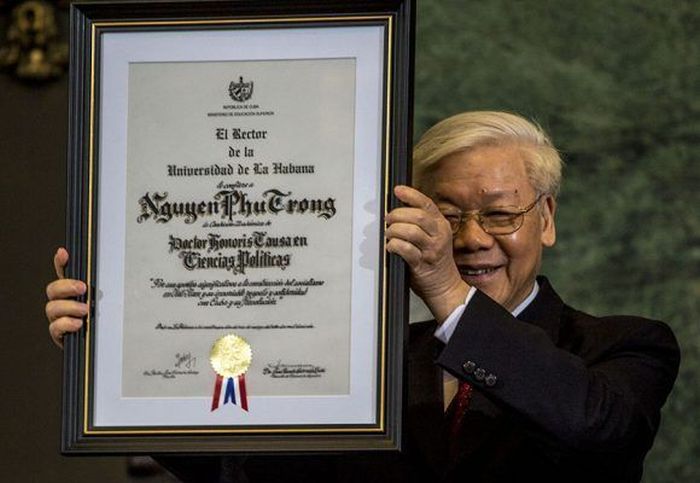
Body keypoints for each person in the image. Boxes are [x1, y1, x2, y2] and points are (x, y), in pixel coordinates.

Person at [46, 111, 680, 482]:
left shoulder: (625, 344)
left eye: (499, 215)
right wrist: (117, 357)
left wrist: (450, 294)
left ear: (546, 218)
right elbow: (240, 469)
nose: (470, 239)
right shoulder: (367, 364)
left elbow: (601, 429)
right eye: (446, 214)